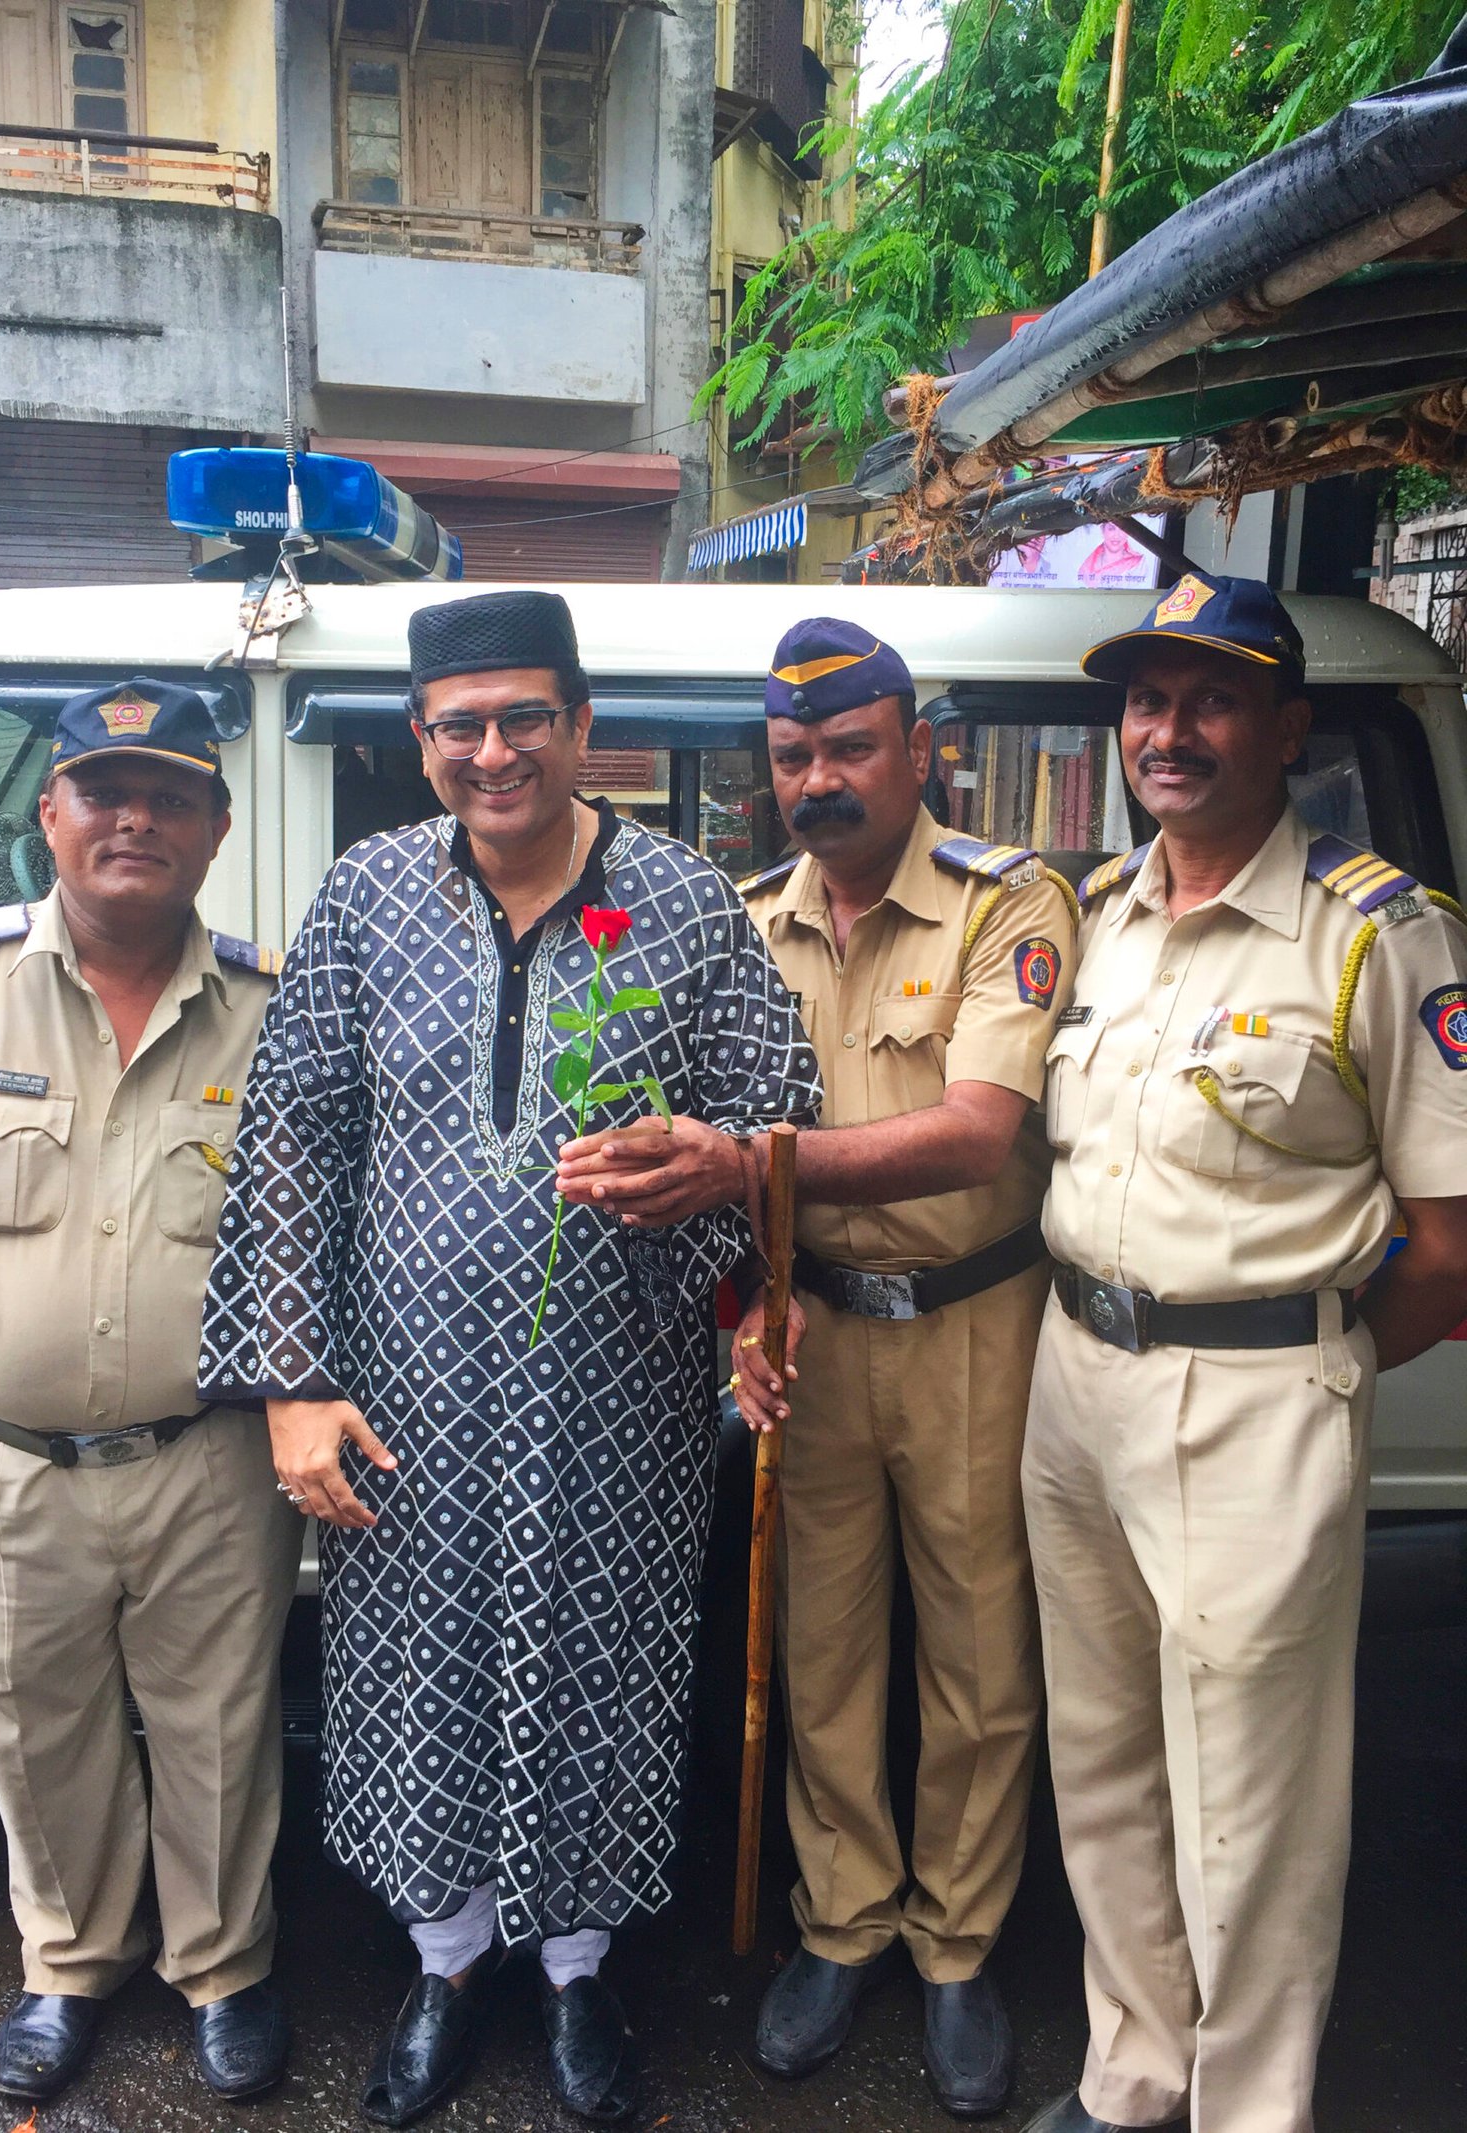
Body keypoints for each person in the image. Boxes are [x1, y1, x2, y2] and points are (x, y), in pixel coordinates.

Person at [198, 588, 819, 2128]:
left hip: (619, 1401)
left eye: (524, 717)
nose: (495, 751)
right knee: (415, 1675)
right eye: (461, 725)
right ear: (420, 745)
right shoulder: (363, 902)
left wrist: (734, 1208)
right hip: (399, 1402)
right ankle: (448, 1959)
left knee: (604, 1663)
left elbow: (780, 1122)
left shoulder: (680, 903)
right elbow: (290, 1145)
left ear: (581, 727)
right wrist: (291, 1382)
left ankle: (579, 1967)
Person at [555, 617, 1079, 2118]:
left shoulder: (1010, 900)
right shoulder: (743, 919)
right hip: (810, 1325)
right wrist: (743, 1292)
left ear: (922, 751)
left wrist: (749, 1159)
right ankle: (845, 1923)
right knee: (823, 1649)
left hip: (977, 1320)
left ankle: (960, 1942)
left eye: (851, 747)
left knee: (981, 1659)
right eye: (793, 755)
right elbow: (689, 1128)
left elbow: (982, 1127)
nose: (820, 778)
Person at [1016, 572, 1467, 2133]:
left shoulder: (1377, 934)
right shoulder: (1091, 916)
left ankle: (1248, 2111)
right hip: (1074, 1381)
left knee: (1255, 1810)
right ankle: (1134, 2074)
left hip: (1261, 1392)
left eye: (1211, 697)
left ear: (1285, 726)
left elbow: (1453, 1243)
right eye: (1148, 698)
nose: (1170, 729)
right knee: (1108, 1760)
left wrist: (1311, 1365)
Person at [0, 680, 300, 2104]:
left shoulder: (267, 1007)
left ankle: (224, 1970)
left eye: (169, 794)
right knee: (32, 1726)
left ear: (216, 826)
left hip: (207, 1452)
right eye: (104, 791)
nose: (135, 819)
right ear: (48, 813)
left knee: (220, 1728)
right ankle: (67, 1964)